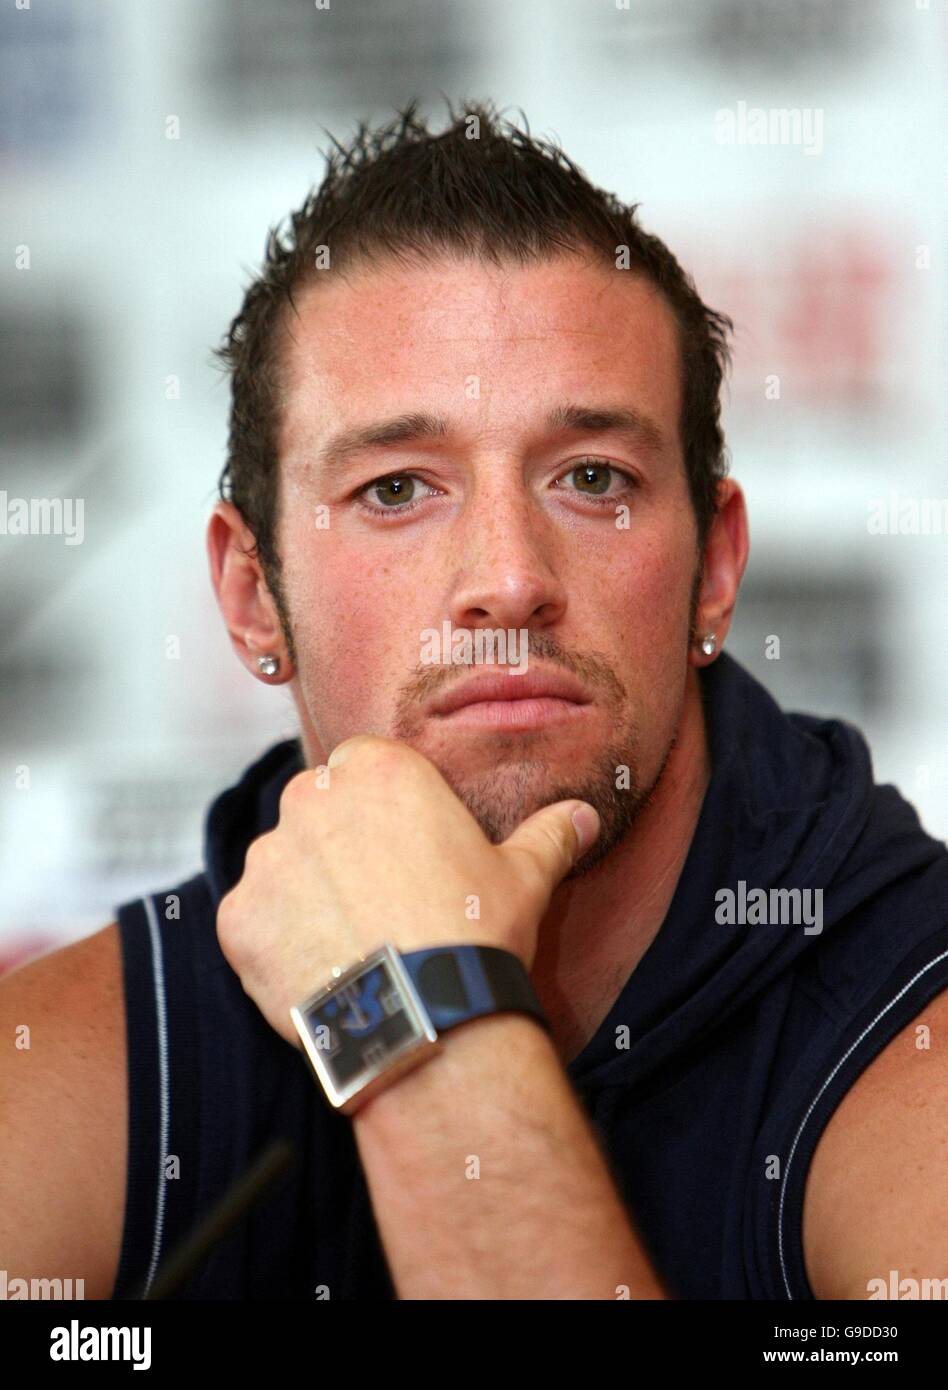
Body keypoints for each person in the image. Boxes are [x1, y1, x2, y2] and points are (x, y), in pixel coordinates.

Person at [2, 100, 946, 1302]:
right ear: (251, 596)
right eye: (398, 488)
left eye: (592, 477)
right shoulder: (89, 1062)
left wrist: (413, 1019)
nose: (508, 577)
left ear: (715, 567)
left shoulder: (911, 1018)